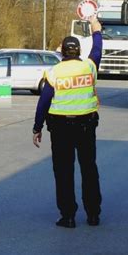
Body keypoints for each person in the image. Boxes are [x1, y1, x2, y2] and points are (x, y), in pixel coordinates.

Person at [32, 14, 103, 229]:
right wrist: (96, 29)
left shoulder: (54, 72)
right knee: (89, 168)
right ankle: (93, 214)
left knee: (64, 172)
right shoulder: (89, 67)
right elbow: (98, 49)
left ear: (62, 52)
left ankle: (68, 216)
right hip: (86, 125)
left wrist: (37, 128)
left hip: (61, 128)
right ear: (79, 52)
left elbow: (44, 102)